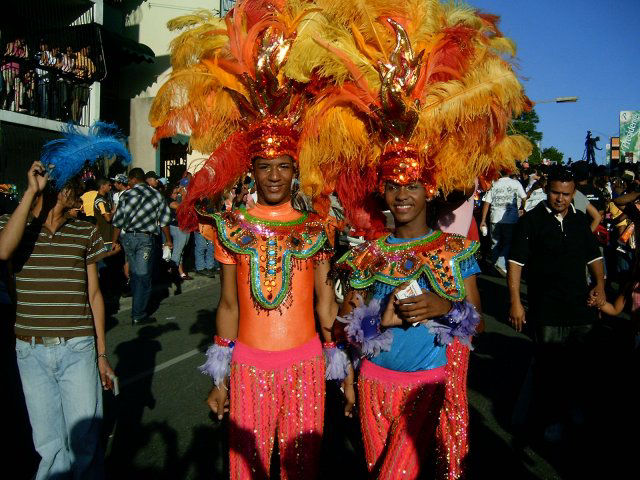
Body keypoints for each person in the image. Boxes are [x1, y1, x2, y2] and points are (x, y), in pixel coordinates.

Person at [298, 3, 531, 478]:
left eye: (411, 186)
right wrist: (375, 320)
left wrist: (442, 307)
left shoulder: (455, 250)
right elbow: (345, 325)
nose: (401, 195)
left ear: (429, 188)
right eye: (393, 186)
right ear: (381, 189)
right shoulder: (369, 253)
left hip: (430, 386)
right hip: (374, 386)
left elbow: (476, 323)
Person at [150, 4, 342, 477]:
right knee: (245, 471)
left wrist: (343, 353)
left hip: (305, 367)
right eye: (264, 167)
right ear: (252, 170)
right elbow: (230, 306)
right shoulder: (232, 225)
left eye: (283, 167)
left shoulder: (316, 228)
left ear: (295, 170)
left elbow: (323, 301)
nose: (274, 176)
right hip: (249, 368)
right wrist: (220, 377)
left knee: (301, 470)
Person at [0, 156, 118, 479]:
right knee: (49, 446)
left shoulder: (85, 232)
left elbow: (94, 295)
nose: (81, 197)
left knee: (85, 443)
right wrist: (30, 193)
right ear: (58, 189)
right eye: (75, 190)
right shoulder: (14, 226)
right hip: (30, 350)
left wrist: (102, 354)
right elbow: (2, 251)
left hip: (77, 348)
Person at [508, 166, 605, 443]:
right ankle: (551, 418)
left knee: (579, 366)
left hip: (580, 307)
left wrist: (599, 285)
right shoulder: (532, 221)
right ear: (546, 190)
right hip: (546, 308)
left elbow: (593, 257)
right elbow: (516, 263)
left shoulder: (578, 222)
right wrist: (515, 302)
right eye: (555, 192)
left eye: (566, 194)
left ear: (574, 193)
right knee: (549, 369)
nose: (560, 199)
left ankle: (573, 407)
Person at [111, 168, 172, 325]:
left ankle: (137, 308)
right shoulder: (156, 195)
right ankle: (138, 313)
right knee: (143, 275)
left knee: (137, 273)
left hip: (129, 237)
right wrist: (168, 239)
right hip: (145, 238)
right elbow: (164, 219)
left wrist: (114, 240)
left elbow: (117, 220)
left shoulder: (127, 195)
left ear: (133, 179)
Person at [479, 172, 527, 276]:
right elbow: (524, 198)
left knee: (495, 243)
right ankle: (500, 263)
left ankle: (495, 267)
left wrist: (483, 220)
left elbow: (487, 203)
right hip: (511, 219)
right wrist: (523, 209)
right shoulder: (516, 183)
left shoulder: (494, 183)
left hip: (495, 218)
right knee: (508, 243)